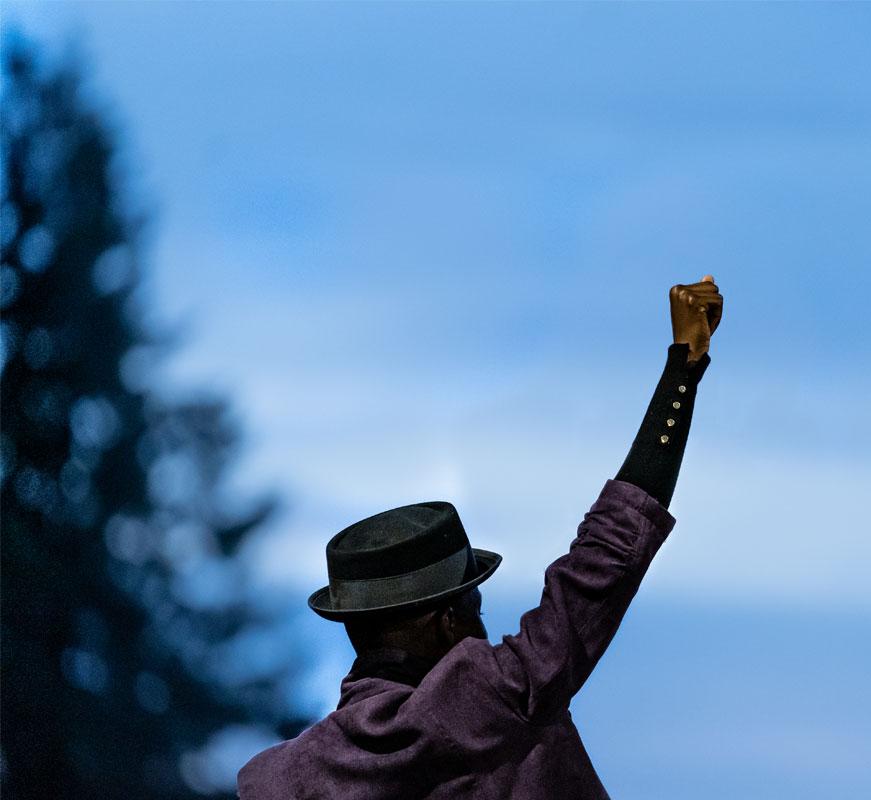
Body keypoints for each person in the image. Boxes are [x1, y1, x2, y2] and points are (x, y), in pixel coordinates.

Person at [237, 275, 724, 799]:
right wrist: (683, 370)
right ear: (449, 622)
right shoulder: (491, 702)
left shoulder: (282, 780)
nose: (487, 631)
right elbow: (603, 564)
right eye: (476, 603)